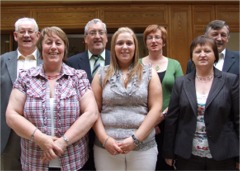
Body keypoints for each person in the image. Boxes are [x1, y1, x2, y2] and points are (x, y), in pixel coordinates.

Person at [6, 26, 98, 171]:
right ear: (40, 47)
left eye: (58, 43)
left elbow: (91, 113)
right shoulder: (25, 77)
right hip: (34, 161)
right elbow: (11, 115)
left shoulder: (78, 77)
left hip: (73, 161)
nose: (53, 47)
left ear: (64, 48)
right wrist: (41, 139)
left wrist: (63, 142)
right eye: (48, 42)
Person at [91, 27, 163, 171]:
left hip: (143, 148)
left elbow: (156, 109)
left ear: (135, 47)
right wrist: (105, 140)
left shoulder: (149, 73)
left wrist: (135, 140)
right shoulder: (101, 73)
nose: (124, 47)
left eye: (129, 43)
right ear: (113, 47)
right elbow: (93, 111)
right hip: (106, 149)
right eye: (120, 43)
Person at [163, 35, 239, 170]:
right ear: (192, 57)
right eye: (198, 51)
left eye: (207, 51)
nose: (202, 55)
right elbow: (172, 120)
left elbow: (238, 119)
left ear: (215, 55)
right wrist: (169, 152)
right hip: (187, 156)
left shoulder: (230, 81)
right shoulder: (181, 83)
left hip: (224, 154)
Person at [67, 18, 110, 170]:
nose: (97, 36)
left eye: (101, 32)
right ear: (85, 39)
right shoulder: (71, 63)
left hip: (109, 126)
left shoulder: (118, 60)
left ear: (106, 37)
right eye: (92, 33)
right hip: (80, 126)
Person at [140, 24, 183, 170]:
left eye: (157, 37)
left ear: (163, 42)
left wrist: (162, 116)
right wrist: (151, 120)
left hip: (169, 123)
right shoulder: (137, 64)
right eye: (149, 37)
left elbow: (180, 94)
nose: (153, 40)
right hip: (142, 122)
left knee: (166, 163)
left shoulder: (174, 64)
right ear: (145, 42)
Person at [1, 17, 42, 170]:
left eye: (30, 31)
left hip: (39, 128)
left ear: (37, 35)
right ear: (15, 36)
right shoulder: (3, 61)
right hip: (8, 131)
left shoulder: (48, 61)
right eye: (22, 31)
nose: (26, 35)